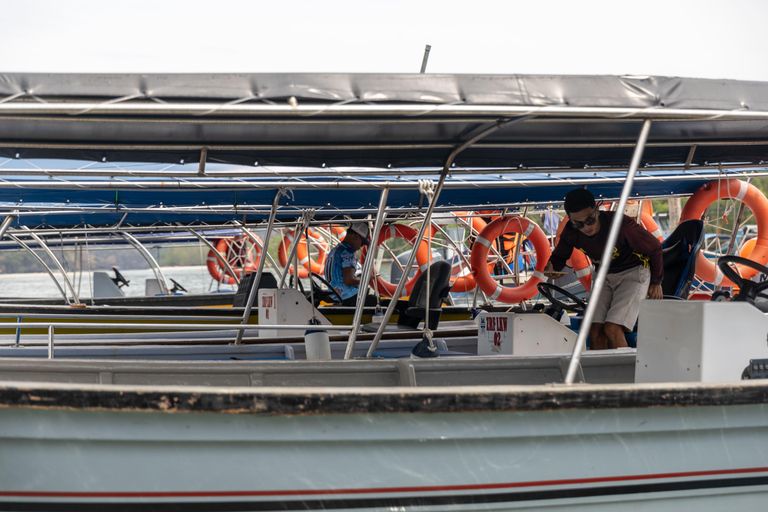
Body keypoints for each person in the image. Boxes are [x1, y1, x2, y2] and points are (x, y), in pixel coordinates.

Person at [543, 188, 663, 349]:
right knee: (595, 331)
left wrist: (656, 282)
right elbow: (559, 256)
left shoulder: (621, 225)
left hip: (633, 272)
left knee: (612, 329)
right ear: (570, 221)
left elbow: (655, 247)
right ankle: (599, 366)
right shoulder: (571, 232)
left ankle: (624, 366)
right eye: (578, 223)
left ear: (597, 211)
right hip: (603, 276)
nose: (586, 227)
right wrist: (553, 268)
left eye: (590, 220)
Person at [324, 222, 378, 307]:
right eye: (362, 243)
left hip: (336, 297)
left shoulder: (334, 251)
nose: (360, 246)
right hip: (347, 297)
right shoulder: (348, 252)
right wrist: (366, 279)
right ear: (356, 237)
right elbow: (348, 280)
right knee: (375, 301)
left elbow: (341, 276)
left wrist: (359, 277)